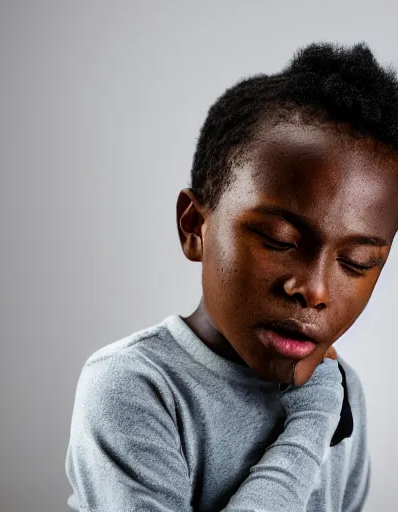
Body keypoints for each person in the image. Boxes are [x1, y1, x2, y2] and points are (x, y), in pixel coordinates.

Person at [65, 41, 398, 511]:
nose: (315, 290)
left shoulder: (344, 390)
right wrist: (312, 421)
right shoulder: (135, 386)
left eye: (357, 262)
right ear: (194, 226)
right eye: (281, 239)